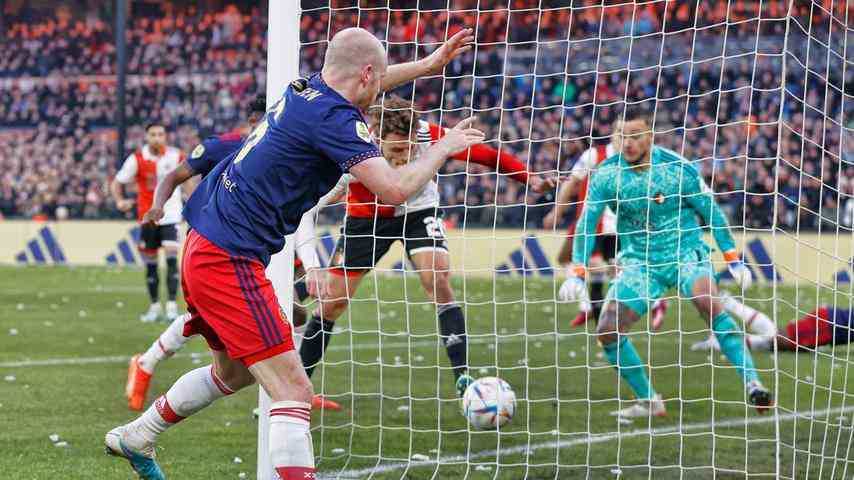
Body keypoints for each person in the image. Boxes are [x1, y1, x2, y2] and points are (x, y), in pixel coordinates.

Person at [105, 26, 482, 480]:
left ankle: (138, 435)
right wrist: (442, 147)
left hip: (207, 239)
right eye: (376, 80)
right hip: (228, 257)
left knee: (234, 373)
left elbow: (366, 79)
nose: (378, 89)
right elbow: (395, 189)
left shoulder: (305, 86)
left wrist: (426, 66)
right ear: (366, 75)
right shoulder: (337, 121)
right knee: (293, 391)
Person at [299, 94, 554, 403]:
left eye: (407, 149)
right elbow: (305, 212)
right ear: (378, 137)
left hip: (418, 211)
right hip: (366, 221)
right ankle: (298, 389)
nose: (403, 158)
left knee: (437, 277)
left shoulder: (425, 134)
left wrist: (530, 179)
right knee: (333, 304)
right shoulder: (352, 154)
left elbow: (484, 155)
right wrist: (311, 264)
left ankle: (463, 377)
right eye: (394, 150)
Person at [124, 94, 342, 412]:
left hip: (260, 243)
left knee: (294, 311)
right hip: (217, 241)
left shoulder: (284, 150)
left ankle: (294, 388)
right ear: (251, 123)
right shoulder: (220, 146)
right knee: (210, 318)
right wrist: (158, 205)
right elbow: (174, 176)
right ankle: (147, 361)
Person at [561, 110, 771, 418]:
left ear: (649, 137)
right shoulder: (606, 175)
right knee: (607, 330)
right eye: (622, 136)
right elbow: (586, 222)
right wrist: (578, 272)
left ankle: (753, 383)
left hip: (685, 253)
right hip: (640, 263)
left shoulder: (676, 168)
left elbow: (710, 211)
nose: (628, 143)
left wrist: (732, 258)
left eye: (635, 136)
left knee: (706, 301)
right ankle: (649, 401)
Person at [547, 120, 667, 330]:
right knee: (570, 259)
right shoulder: (595, 155)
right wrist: (557, 211)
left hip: (617, 226)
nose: (625, 139)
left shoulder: (639, 160)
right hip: (590, 222)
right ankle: (588, 306)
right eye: (621, 133)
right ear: (613, 134)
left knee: (608, 268)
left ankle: (649, 302)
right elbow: (572, 182)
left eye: (631, 135)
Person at [111, 123, 186, 323]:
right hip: (147, 218)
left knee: (171, 258)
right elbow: (117, 182)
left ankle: (171, 306)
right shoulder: (137, 159)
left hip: (171, 216)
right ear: (146, 137)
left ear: (166, 136)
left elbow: (189, 180)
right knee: (151, 264)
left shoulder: (176, 156)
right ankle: (154, 307)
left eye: (160, 134)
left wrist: (191, 198)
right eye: (153, 134)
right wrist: (119, 201)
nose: (157, 138)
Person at [692, 292, 852, 352]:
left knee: (773, 343)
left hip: (829, 323)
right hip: (827, 324)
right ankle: (730, 306)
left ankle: (719, 340)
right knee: (777, 338)